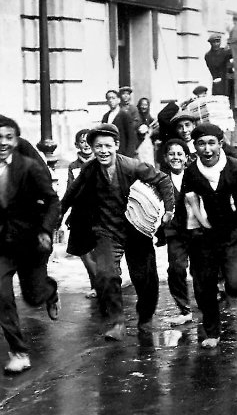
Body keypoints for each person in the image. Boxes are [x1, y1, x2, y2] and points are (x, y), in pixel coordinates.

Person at [61, 123, 175, 341]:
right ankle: (117, 322)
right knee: (105, 274)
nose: (103, 151)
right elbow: (71, 193)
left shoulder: (133, 166)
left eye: (107, 146)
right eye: (98, 147)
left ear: (116, 145)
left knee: (144, 278)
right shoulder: (90, 169)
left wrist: (168, 210)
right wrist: (58, 215)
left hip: (137, 229)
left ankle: (146, 317)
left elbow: (163, 180)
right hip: (106, 230)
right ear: (92, 148)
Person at [0, 116, 60, 374]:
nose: (3, 142)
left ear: (16, 140)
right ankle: (18, 351)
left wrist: (45, 230)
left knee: (34, 295)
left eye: (9, 137)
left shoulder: (29, 167)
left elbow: (52, 201)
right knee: (1, 295)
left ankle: (49, 292)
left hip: (30, 241)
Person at [182, 123, 237, 348]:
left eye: (212, 143)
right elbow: (188, 204)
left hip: (234, 235)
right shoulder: (192, 172)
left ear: (220, 144)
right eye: (201, 144)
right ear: (195, 147)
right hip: (205, 237)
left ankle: (228, 285)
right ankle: (212, 330)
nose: (207, 149)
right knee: (203, 286)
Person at [156, 138, 194, 326]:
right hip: (175, 233)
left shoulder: (195, 175)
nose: (175, 157)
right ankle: (184, 309)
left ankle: (208, 305)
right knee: (176, 268)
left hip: (197, 231)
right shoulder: (161, 180)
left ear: (186, 157)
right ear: (165, 157)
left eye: (180, 154)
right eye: (171, 154)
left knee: (202, 270)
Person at [66, 129, 96, 299]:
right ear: (77, 145)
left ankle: (102, 283)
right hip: (80, 214)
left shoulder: (99, 162)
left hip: (97, 214)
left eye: (88, 141)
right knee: (84, 253)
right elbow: (71, 190)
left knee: (98, 252)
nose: (85, 144)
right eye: (81, 141)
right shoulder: (74, 166)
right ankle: (95, 283)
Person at [101, 89, 137, 157]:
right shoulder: (106, 116)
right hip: (109, 152)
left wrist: (128, 155)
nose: (111, 100)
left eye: (113, 98)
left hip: (123, 152)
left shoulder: (125, 115)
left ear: (118, 100)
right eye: (109, 98)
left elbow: (131, 137)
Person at [135, 97, 158, 165]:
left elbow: (154, 131)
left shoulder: (149, 117)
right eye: (142, 105)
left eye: (146, 105)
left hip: (148, 145)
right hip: (139, 144)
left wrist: (152, 131)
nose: (144, 107)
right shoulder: (136, 117)